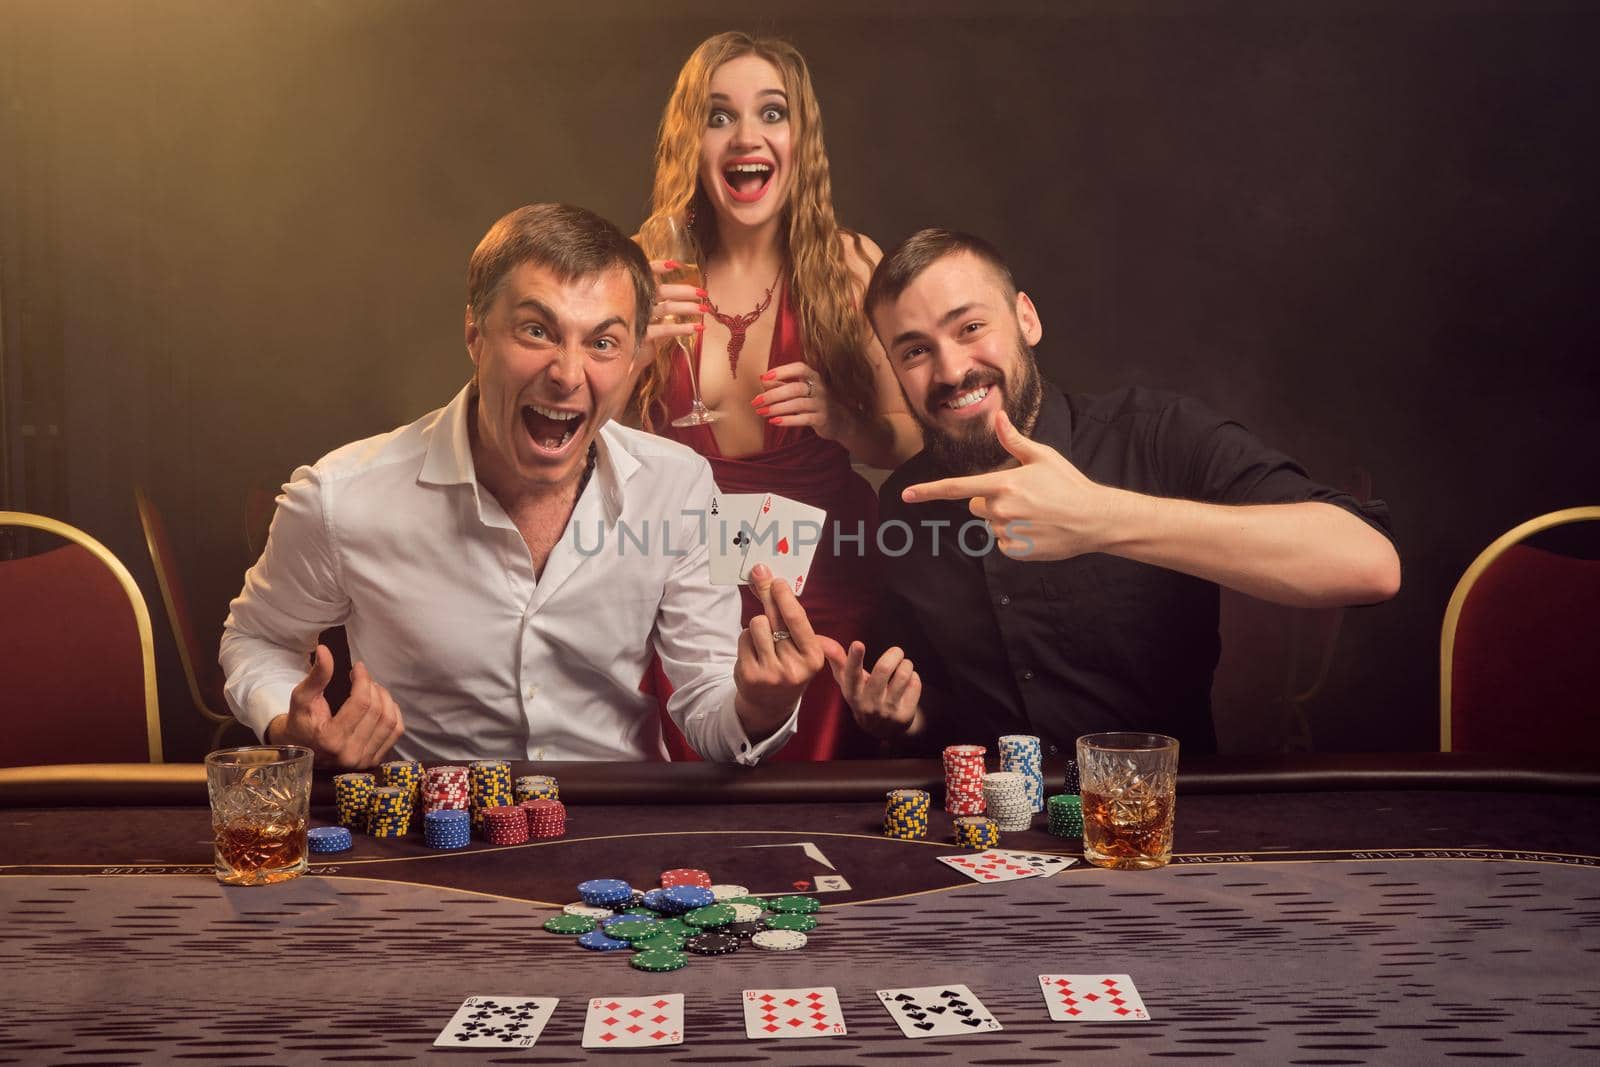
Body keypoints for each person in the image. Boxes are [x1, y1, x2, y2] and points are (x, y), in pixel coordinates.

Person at [220, 203, 825, 769]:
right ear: (475, 336)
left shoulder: (683, 485)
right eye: (537, 332)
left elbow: (706, 705)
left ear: (635, 356)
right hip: (430, 837)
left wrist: (758, 707)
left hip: (615, 832)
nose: (567, 374)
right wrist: (287, 728)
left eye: (602, 343)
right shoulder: (339, 496)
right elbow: (257, 638)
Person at [823, 229, 1401, 755]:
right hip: (994, 843)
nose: (950, 371)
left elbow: (1369, 563)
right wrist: (903, 720)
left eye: (970, 328)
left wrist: (1101, 518)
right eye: (916, 351)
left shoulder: (1155, 434)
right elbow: (937, 711)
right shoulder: (907, 500)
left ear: (1026, 319)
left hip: (1167, 834)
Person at [630, 31, 922, 760]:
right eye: (719, 115)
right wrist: (633, 352)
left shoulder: (851, 265)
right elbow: (582, 441)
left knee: (808, 797)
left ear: (800, 138)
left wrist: (839, 417)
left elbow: (907, 439)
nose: (746, 136)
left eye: (772, 113)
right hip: (683, 577)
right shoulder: (643, 265)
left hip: (823, 576)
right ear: (689, 139)